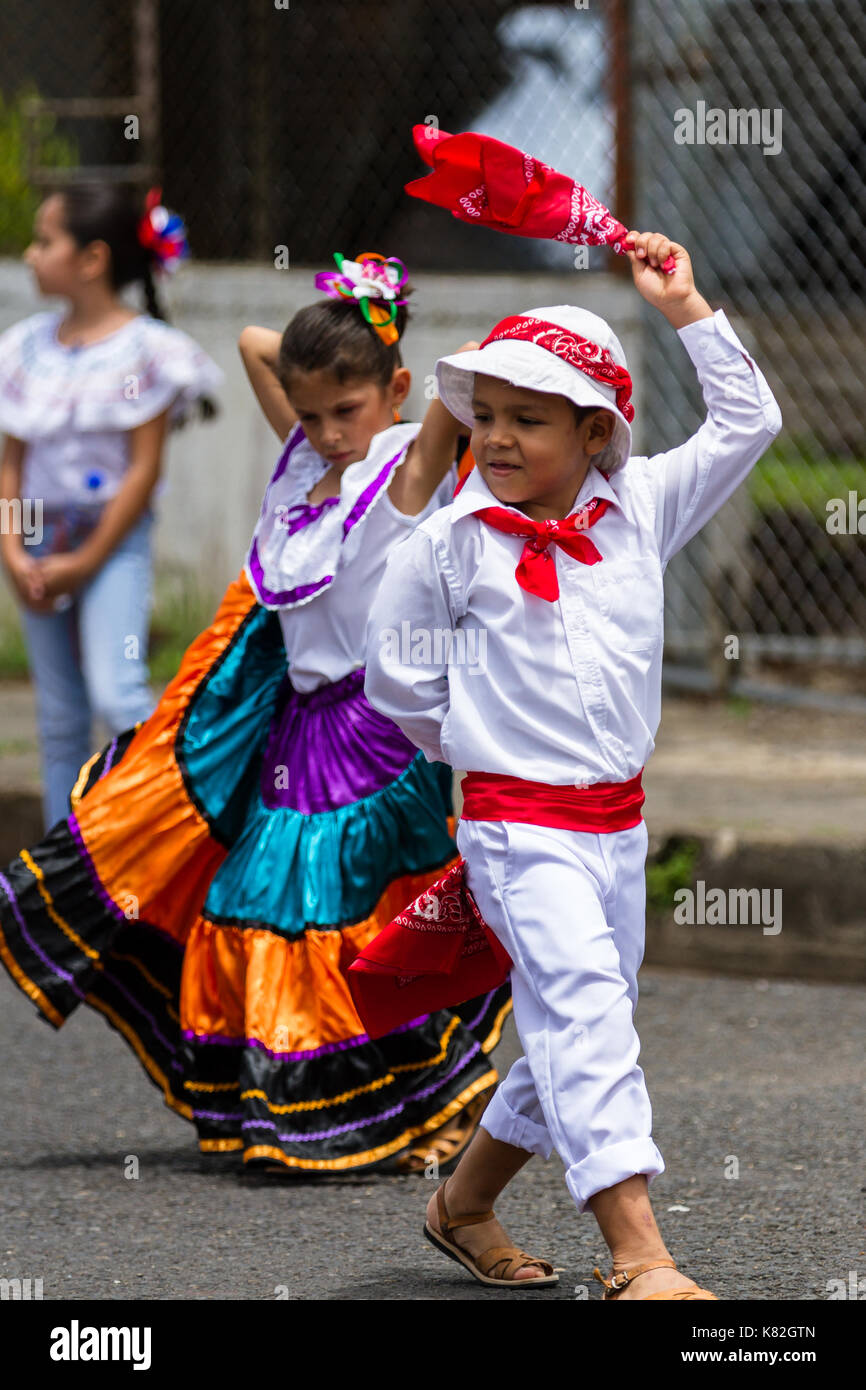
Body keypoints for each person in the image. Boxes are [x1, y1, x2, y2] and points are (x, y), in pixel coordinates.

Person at [0, 251, 509, 1176]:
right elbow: (252, 341)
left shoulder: (401, 471)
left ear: (394, 390)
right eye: (308, 412)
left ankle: (399, 1109)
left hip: (374, 734)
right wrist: (346, 342)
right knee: (257, 906)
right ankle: (346, 1110)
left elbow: (461, 371)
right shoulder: (308, 462)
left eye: (344, 411)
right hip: (298, 731)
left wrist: (389, 347)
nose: (322, 430)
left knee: (321, 916)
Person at [363, 229, 783, 1292]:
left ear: (596, 431)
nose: (494, 438)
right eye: (484, 415)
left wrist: (682, 302)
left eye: (526, 419)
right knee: (585, 1011)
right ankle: (638, 1255)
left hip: (618, 826)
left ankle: (459, 1201)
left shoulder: (640, 510)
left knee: (577, 1021)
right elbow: (398, 682)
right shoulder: (447, 544)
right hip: (515, 826)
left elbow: (750, 420)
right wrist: (486, 753)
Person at [0, 182, 222, 830]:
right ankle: (55, 869)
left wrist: (87, 560)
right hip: (35, 543)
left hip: (111, 543)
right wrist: (15, 552)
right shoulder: (23, 351)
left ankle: (158, 843)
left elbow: (144, 470)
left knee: (116, 691)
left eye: (46, 241)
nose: (32, 253)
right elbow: (11, 462)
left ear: (93, 259)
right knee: (60, 715)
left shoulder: (149, 352)